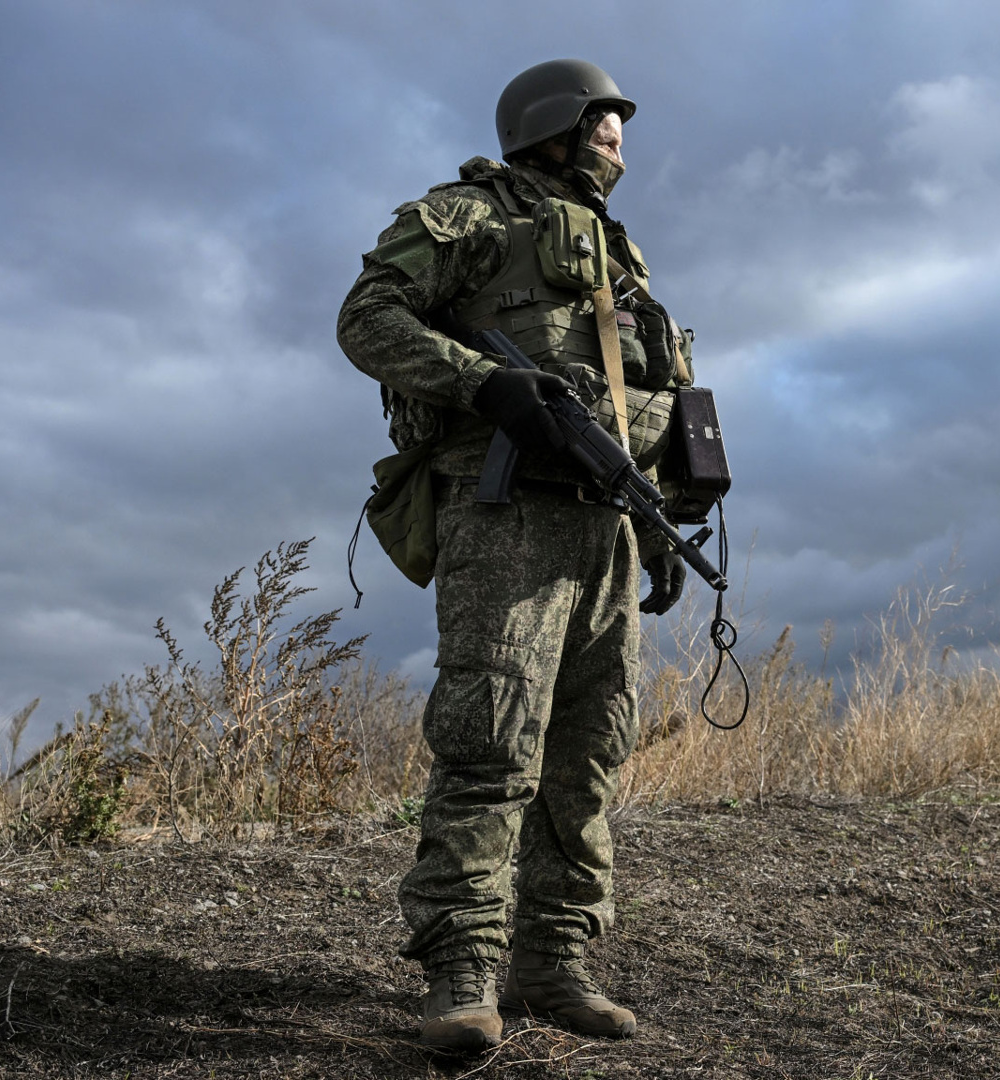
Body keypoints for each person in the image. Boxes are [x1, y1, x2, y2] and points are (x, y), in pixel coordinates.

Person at [337, 58, 697, 1053]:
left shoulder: (623, 261)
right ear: (554, 122)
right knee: (491, 743)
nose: (619, 132)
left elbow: (640, 402)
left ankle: (555, 965)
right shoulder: (467, 217)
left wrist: (658, 518)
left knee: (587, 755)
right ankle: (462, 972)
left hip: (608, 529)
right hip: (506, 519)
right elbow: (365, 319)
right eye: (604, 117)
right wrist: (480, 385)